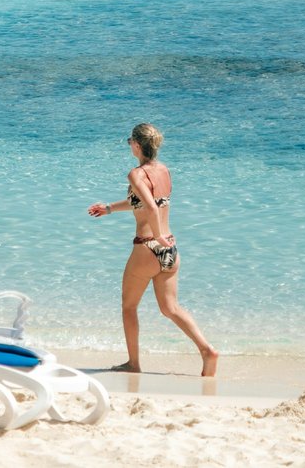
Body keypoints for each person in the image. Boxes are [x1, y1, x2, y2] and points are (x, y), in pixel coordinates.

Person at [87, 123, 219, 377]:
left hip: (147, 247)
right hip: (171, 249)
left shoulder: (136, 174)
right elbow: (146, 201)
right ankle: (207, 350)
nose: (129, 145)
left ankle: (133, 363)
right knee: (170, 308)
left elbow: (150, 207)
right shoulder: (164, 170)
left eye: (130, 141)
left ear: (137, 145)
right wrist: (109, 208)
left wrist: (156, 236)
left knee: (129, 307)